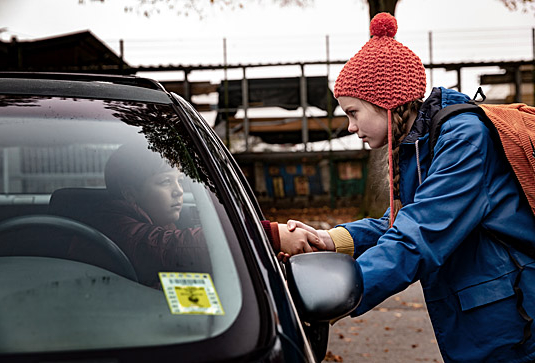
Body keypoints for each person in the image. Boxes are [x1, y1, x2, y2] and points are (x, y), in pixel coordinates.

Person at [281, 12, 535, 363]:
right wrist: (329, 240)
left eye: (353, 112)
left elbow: (420, 235)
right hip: (486, 315)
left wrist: (338, 291)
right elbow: (400, 220)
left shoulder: (464, 139)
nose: (351, 127)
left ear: (385, 104)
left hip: (511, 321)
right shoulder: (420, 142)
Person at [68, 141, 323, 287]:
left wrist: (254, 255)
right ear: (130, 193)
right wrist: (267, 235)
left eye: (180, 182)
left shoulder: (161, 223)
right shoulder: (112, 223)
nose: (179, 192)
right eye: (165, 182)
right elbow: (167, 248)